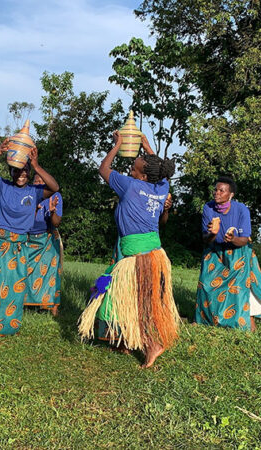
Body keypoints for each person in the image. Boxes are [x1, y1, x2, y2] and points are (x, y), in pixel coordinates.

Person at [78, 133, 180, 368]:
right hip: (151, 253)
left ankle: (152, 344)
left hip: (138, 258)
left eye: (134, 169)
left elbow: (104, 168)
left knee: (136, 300)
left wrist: (118, 145)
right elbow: (160, 171)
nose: (131, 171)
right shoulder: (161, 187)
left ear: (142, 176)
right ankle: (125, 339)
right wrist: (147, 147)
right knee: (130, 299)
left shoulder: (131, 186)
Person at [0, 139, 60, 337]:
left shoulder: (34, 192)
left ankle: (5, 325)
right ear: (11, 171)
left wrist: (36, 165)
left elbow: (54, 186)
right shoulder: (2, 186)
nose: (21, 174)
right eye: (17, 170)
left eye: (26, 171)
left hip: (18, 246)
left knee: (11, 287)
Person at [194, 177, 261, 331]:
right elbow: (206, 239)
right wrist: (213, 233)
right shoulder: (208, 208)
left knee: (237, 288)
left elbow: (244, 239)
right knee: (206, 283)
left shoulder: (241, 209)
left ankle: (243, 323)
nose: (217, 193)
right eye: (216, 190)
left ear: (230, 195)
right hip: (215, 251)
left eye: (221, 191)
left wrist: (233, 239)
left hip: (238, 252)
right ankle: (206, 319)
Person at [23, 173, 63, 316]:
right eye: (36, 181)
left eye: (42, 181)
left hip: (47, 238)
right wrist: (33, 210)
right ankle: (24, 303)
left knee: (50, 272)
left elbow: (57, 222)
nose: (39, 183)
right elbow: (22, 220)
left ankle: (51, 307)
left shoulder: (55, 196)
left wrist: (52, 212)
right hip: (27, 239)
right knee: (24, 270)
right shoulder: (28, 195)